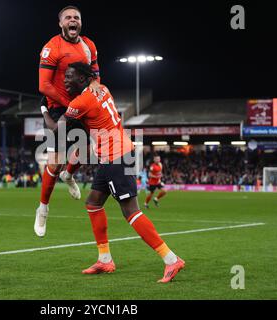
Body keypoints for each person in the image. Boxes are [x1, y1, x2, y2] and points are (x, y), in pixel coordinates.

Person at [41, 62, 185, 283]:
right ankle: (105, 259)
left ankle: (171, 259)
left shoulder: (82, 101)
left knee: (131, 212)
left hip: (117, 157)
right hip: (114, 154)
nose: (65, 80)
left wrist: (43, 109)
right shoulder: (101, 88)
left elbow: (54, 129)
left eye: (69, 76)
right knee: (93, 203)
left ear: (82, 78)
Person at [35, 5, 102, 237]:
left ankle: (69, 175)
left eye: (77, 17)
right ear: (60, 23)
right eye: (68, 18)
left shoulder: (89, 46)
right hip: (57, 107)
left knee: (85, 149)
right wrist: (70, 103)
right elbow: (44, 86)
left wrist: (94, 95)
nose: (73, 20)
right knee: (54, 162)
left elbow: (95, 77)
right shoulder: (51, 47)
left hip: (81, 105)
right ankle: (43, 208)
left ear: (80, 23)